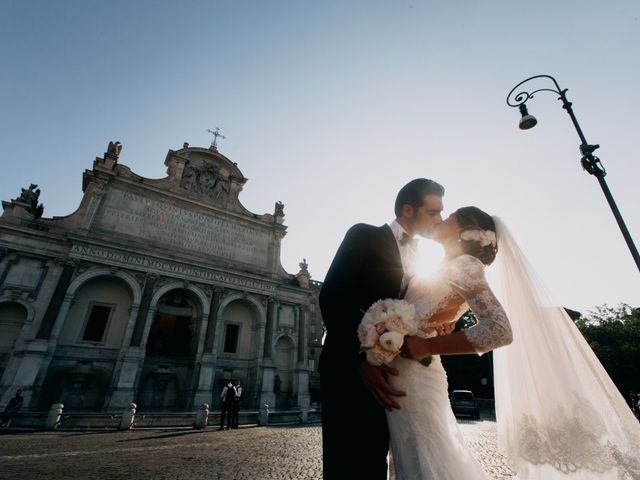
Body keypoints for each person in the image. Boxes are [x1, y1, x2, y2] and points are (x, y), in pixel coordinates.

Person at [389, 207, 640, 479]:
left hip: (417, 374)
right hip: (407, 373)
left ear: (464, 230)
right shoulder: (445, 267)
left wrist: (428, 346)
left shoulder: (465, 266)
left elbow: (499, 329)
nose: (442, 218)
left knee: (427, 456)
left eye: (450, 216)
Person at [318, 178, 445, 480]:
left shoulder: (422, 258)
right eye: (433, 212)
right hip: (347, 371)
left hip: (392, 376)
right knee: (345, 463)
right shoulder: (364, 235)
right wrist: (361, 360)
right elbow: (332, 297)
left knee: (376, 461)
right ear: (408, 209)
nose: (440, 219)